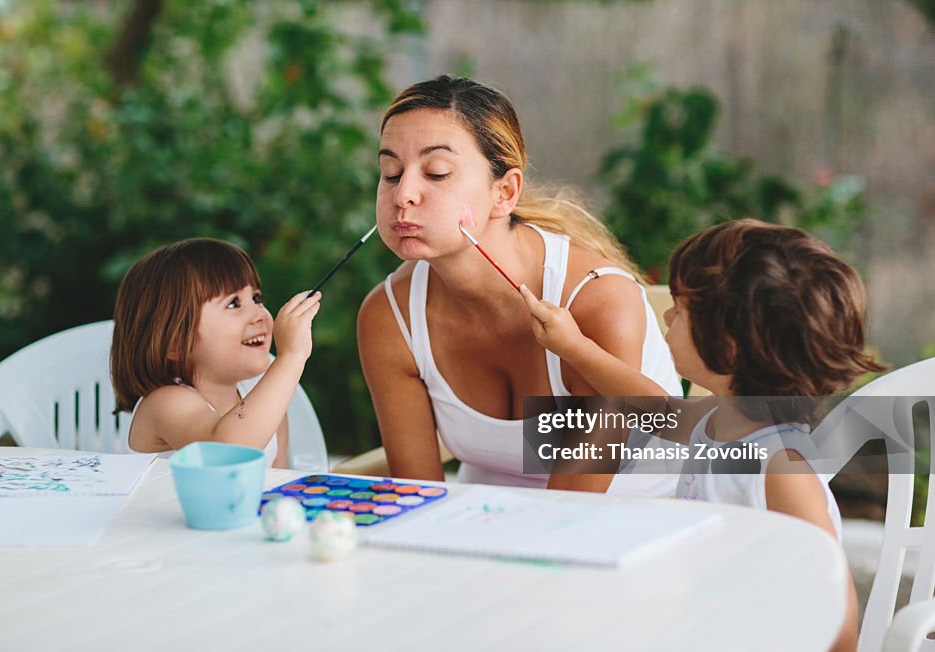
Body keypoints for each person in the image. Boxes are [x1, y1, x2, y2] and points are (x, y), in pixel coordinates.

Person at [521, 219, 884, 651]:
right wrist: (573, 347)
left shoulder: (780, 465)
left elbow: (835, 597)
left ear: (727, 348)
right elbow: (655, 410)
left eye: (680, 309)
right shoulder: (724, 420)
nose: (668, 316)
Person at [357, 75, 681, 494]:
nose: (404, 194)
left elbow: (571, 509)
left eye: (436, 173)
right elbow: (416, 496)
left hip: (638, 527)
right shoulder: (390, 316)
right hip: (491, 522)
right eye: (391, 172)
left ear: (504, 193)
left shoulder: (596, 302)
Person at [110, 238, 321, 468]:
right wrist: (290, 358)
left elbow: (276, 483)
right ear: (176, 343)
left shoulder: (262, 398)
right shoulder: (166, 402)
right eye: (233, 304)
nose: (260, 314)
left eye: (256, 298)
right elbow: (224, 452)